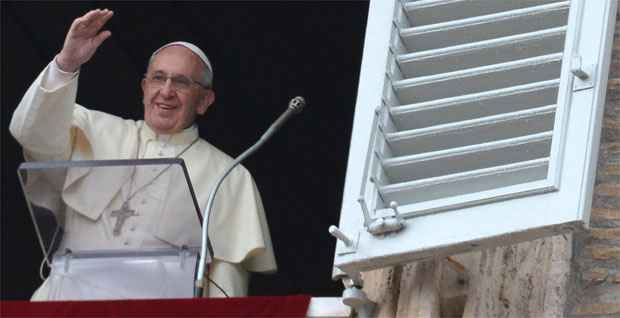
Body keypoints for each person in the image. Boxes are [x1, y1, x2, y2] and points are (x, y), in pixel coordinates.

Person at [9, 8, 277, 299]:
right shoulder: (92, 130)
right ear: (144, 87)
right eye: (158, 78)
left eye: (182, 82)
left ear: (204, 101)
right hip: (68, 303)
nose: (166, 91)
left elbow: (226, 285)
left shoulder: (229, 175)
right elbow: (30, 132)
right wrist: (66, 63)